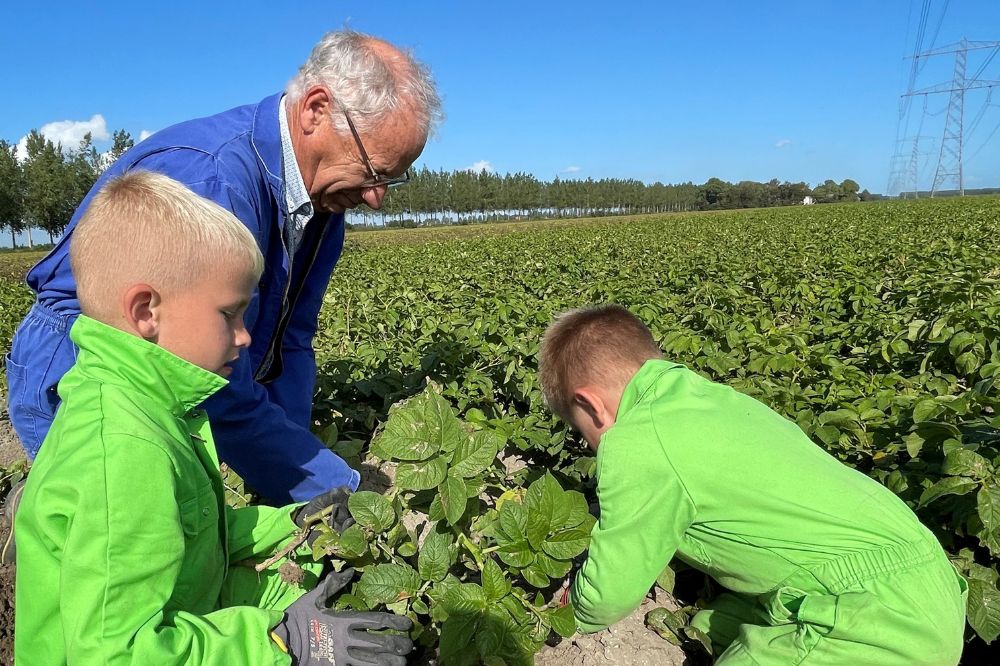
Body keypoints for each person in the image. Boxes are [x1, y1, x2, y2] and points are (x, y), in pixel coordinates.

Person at [5, 29, 443, 503]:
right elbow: (211, 381)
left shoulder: (325, 199)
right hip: (83, 363)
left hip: (170, 376)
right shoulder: (212, 182)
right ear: (316, 109)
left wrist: (292, 463)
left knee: (184, 525)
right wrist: (332, 489)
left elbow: (290, 339)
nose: (376, 198)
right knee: (125, 529)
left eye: (392, 180)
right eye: (375, 171)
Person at [14, 171, 412, 665]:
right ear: (145, 312)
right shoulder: (126, 450)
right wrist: (280, 643)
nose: (245, 337)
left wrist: (290, 523)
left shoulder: (140, 403)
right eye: (230, 315)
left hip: (190, 609)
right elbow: (114, 654)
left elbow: (196, 536)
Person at [538, 304, 968, 665]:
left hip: (872, 623)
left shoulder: (636, 441)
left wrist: (567, 610)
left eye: (582, 432)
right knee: (714, 623)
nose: (590, 445)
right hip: (929, 580)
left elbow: (611, 589)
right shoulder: (720, 400)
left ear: (589, 404)